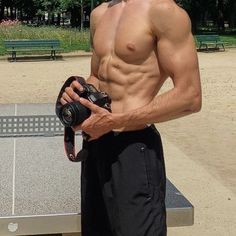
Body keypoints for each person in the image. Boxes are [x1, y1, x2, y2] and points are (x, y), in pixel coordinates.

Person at [60, 0, 201, 235]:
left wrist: (115, 121)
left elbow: (190, 96)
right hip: (95, 145)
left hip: (134, 147)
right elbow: (98, 76)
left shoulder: (163, 11)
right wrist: (77, 93)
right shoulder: (99, 14)